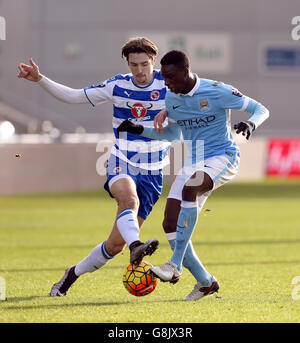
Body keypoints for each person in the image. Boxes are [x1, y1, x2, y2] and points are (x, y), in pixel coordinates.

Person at [17, 37, 168, 296]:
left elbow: (201, 102)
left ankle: (71, 274)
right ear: (127, 64)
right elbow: (74, 96)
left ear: (154, 61)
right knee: (128, 200)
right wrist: (41, 79)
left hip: (153, 171)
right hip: (123, 159)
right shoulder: (117, 85)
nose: (140, 71)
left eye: (144, 64)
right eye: (134, 65)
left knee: (114, 245)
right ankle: (137, 245)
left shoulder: (171, 84)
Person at [117, 49, 269, 300]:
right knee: (169, 224)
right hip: (193, 161)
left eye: (170, 77)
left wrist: (251, 123)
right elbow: (172, 135)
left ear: (186, 72)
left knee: (191, 188)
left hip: (223, 156)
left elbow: (261, 109)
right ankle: (206, 282)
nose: (166, 82)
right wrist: (138, 128)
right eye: (164, 77)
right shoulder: (172, 98)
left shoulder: (218, 91)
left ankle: (174, 265)